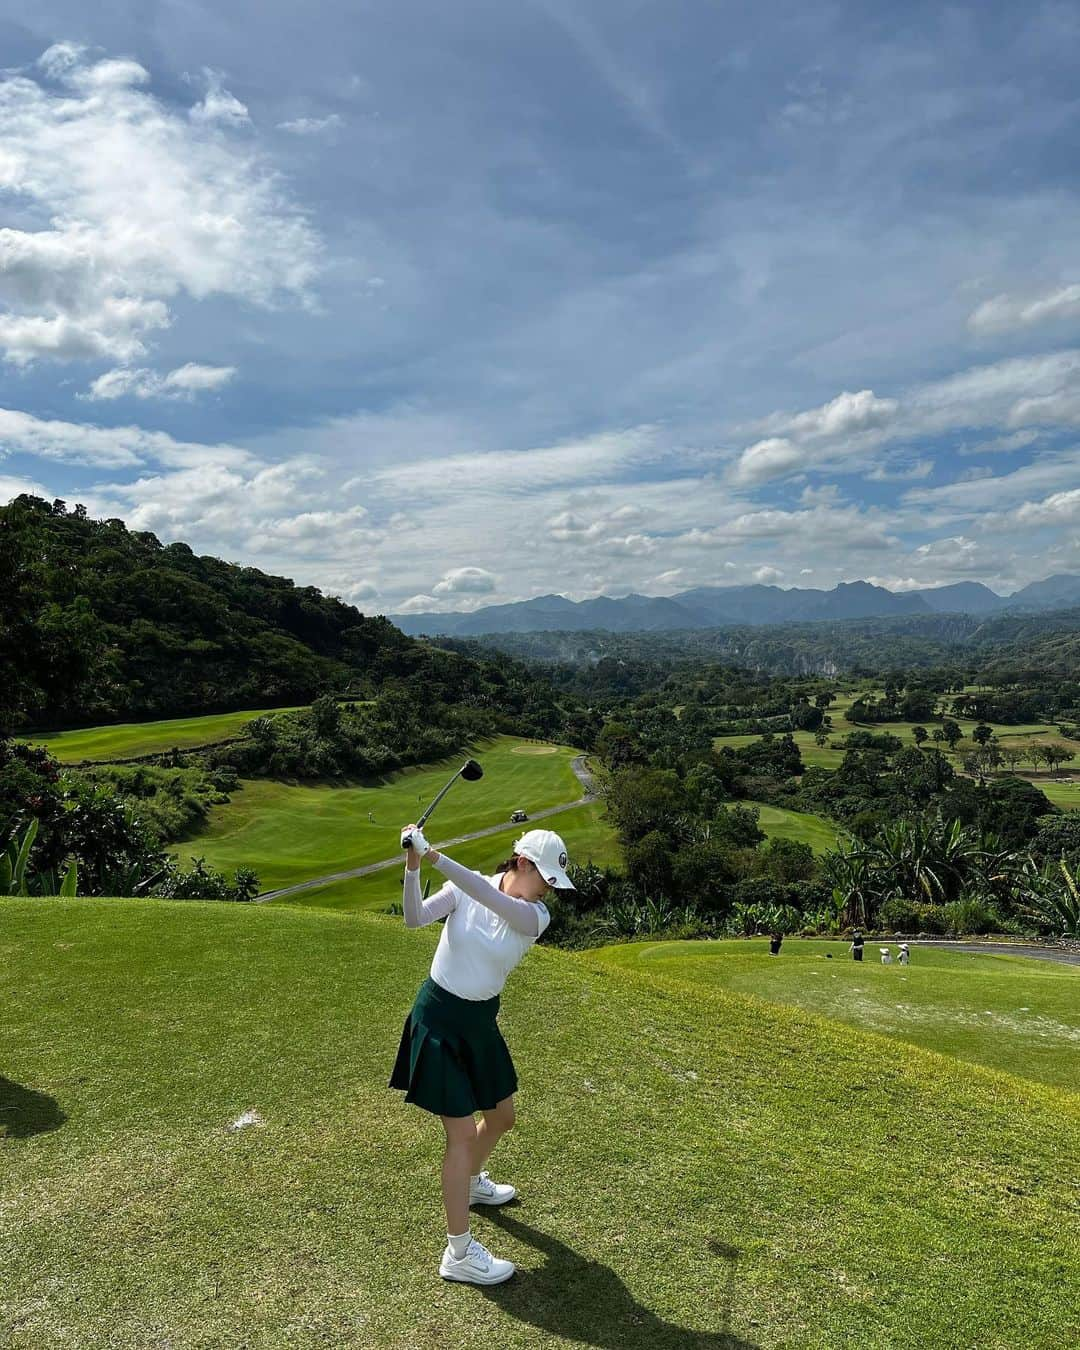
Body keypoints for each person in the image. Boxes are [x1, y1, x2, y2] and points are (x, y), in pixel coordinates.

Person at [388, 822, 572, 1286]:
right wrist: (413, 864)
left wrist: (434, 856)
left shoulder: (534, 918)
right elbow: (413, 918)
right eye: (545, 881)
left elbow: (494, 899)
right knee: (462, 1136)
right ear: (523, 863)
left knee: (502, 1116)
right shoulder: (464, 888)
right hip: (439, 1019)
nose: (548, 893)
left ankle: (470, 1184)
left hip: (479, 1023)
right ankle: (459, 1252)